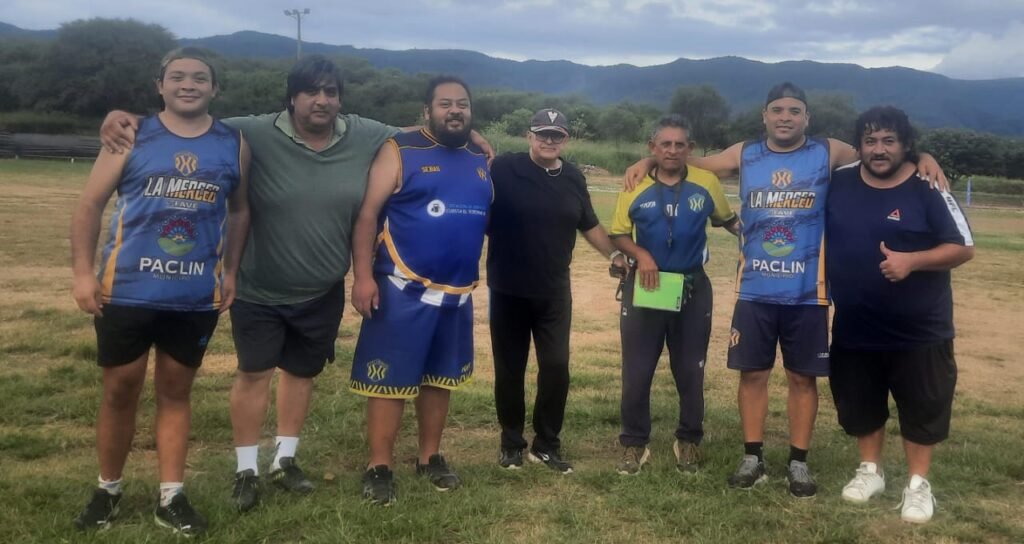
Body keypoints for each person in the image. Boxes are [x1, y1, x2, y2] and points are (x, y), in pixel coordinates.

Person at [98, 56, 494, 513]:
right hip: (260, 284)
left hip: (322, 286)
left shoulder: (364, 133)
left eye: (330, 92)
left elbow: (422, 132)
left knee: (302, 375)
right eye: (310, 91)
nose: (321, 100)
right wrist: (128, 118)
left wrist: (471, 133)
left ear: (340, 99)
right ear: (291, 97)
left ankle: (285, 460)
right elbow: (191, 119)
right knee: (254, 374)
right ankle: (248, 469)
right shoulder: (254, 130)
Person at [624, 82, 947, 498]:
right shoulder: (745, 153)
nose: (785, 117)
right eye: (777, 110)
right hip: (755, 287)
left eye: (795, 111)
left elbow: (880, 152)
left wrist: (923, 156)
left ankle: (799, 461)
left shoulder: (828, 151)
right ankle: (753, 457)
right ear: (765, 115)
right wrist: (648, 158)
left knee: (801, 378)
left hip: (807, 291)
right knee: (753, 374)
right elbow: (688, 158)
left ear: (807, 117)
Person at [71, 47, 250, 535]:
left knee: (176, 392)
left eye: (199, 77)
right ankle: (107, 490)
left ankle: (171, 495)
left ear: (215, 88)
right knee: (119, 390)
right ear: (160, 85)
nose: (188, 84)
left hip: (193, 295)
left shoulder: (233, 142)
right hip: (126, 290)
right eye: (177, 76)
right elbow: (90, 205)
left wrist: (231, 271)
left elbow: (239, 210)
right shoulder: (129, 134)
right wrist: (83, 274)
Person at [826, 106, 973, 523]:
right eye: (870, 141)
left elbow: (963, 247)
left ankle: (917, 485)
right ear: (859, 146)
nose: (879, 149)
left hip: (920, 329)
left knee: (922, 408)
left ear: (906, 145)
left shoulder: (929, 185)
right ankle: (870, 471)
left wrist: (912, 261)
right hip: (855, 324)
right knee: (861, 403)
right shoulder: (839, 181)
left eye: (889, 140)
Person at [350, 75, 491, 506]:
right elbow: (367, 215)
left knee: (438, 379)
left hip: (456, 293)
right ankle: (379, 466)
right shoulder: (400, 149)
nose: (455, 110)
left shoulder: (480, 157)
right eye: (445, 104)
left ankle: (430, 457)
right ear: (427, 111)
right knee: (388, 382)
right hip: (401, 288)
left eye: (462, 103)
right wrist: (362, 277)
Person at [488, 108, 627, 474]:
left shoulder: (574, 177)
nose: (549, 140)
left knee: (556, 366)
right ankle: (511, 443)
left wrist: (614, 254)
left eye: (557, 135)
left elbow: (589, 223)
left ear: (566, 139)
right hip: (507, 288)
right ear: (529, 136)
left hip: (553, 291)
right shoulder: (503, 168)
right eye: (542, 134)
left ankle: (546, 443)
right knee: (509, 368)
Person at [609, 115, 738, 475]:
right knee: (637, 371)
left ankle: (689, 440)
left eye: (680, 144)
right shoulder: (634, 183)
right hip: (646, 287)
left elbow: (728, 220)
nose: (672, 150)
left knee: (690, 370)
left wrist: (757, 236)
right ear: (652, 147)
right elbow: (618, 234)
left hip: (692, 288)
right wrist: (642, 255)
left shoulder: (706, 182)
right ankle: (634, 443)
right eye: (664, 144)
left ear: (689, 148)